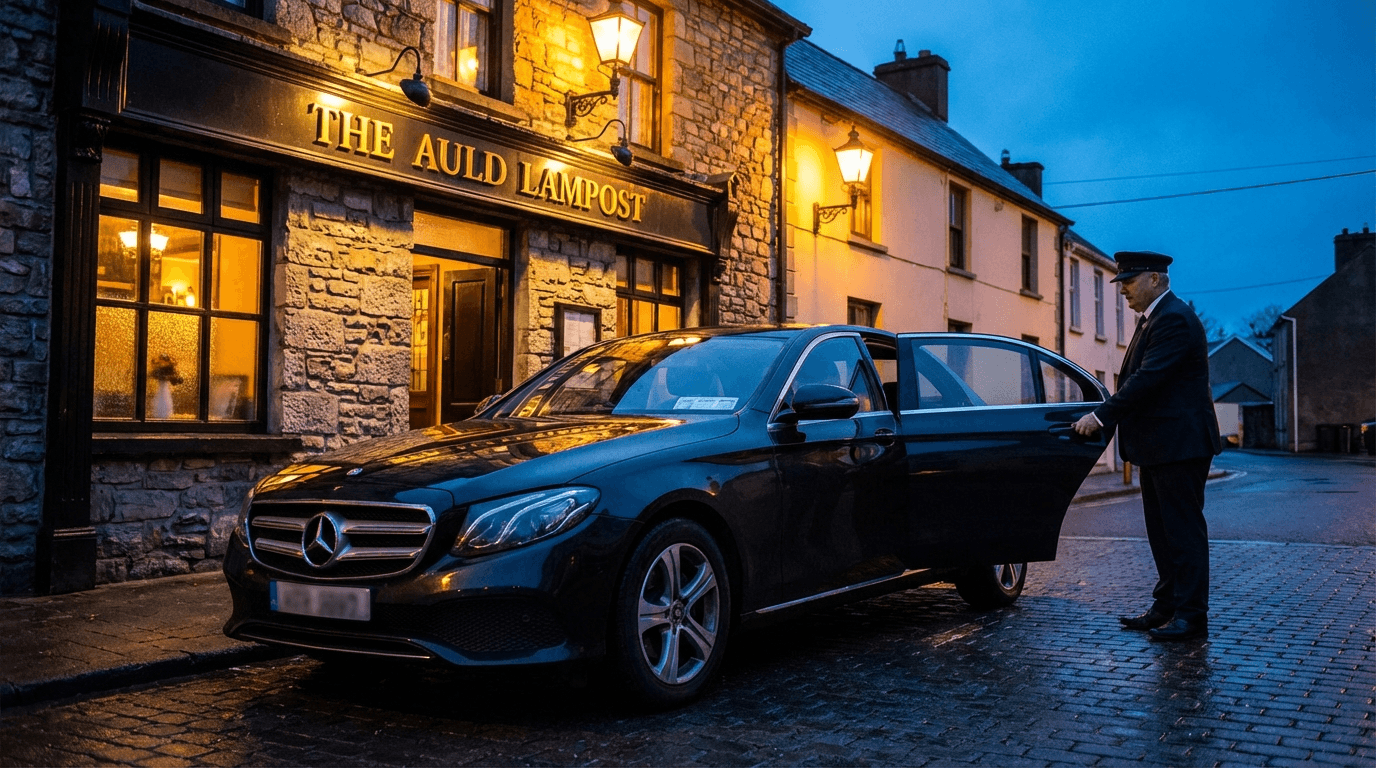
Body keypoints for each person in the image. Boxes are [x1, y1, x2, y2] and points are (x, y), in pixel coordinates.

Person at [1072, 251, 1222, 642]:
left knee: (1183, 533)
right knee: (1162, 531)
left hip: (1180, 446)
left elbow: (1148, 379)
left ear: (1155, 279)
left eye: (1129, 281)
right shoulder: (1153, 318)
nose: (1122, 290)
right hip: (1162, 446)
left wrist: (1101, 416)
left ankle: (1192, 617)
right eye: (1120, 282)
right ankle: (1166, 606)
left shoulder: (1173, 318)